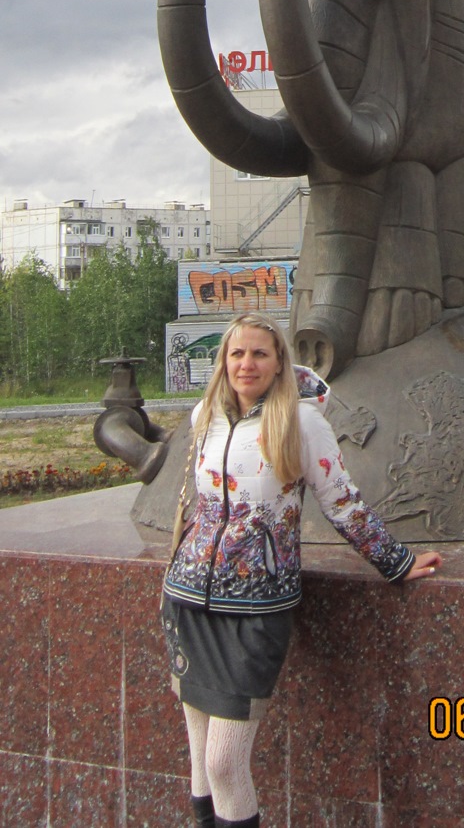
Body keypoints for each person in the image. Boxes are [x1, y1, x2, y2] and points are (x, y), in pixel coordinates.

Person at [161, 313, 441, 828]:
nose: (246, 364)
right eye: (237, 353)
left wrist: (397, 562)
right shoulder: (206, 414)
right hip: (187, 600)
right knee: (199, 759)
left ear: (279, 363)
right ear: (224, 361)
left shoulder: (303, 422)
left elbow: (343, 503)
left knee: (224, 763)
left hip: (255, 608)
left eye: (259, 353)